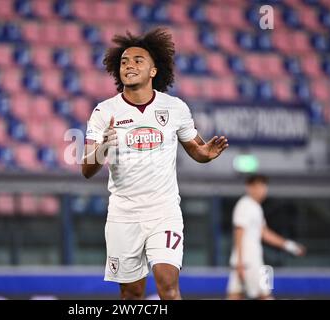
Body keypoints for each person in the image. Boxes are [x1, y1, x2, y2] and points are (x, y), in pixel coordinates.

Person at [81, 28, 229, 300]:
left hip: (164, 211)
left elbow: (195, 149)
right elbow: (86, 169)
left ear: (153, 71)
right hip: (123, 215)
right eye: (124, 61)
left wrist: (206, 153)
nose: (129, 65)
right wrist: (103, 148)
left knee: (168, 286)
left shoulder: (175, 108)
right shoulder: (104, 112)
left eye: (138, 60)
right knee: (132, 294)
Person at [227, 174, 306, 300]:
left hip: (245, 261)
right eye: (258, 186)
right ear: (249, 188)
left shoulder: (256, 207)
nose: (262, 190)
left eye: (264, 186)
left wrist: (291, 246)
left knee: (235, 296)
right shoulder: (244, 205)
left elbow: (265, 234)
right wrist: (240, 263)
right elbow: (239, 232)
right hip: (248, 262)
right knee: (265, 295)